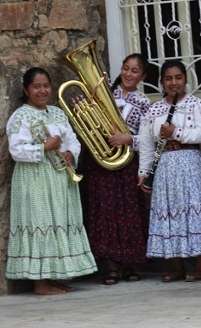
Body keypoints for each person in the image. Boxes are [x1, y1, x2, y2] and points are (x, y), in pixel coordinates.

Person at [5, 67, 97, 295]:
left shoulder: (57, 113)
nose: (42, 90)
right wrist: (43, 147)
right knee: (41, 223)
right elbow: (16, 150)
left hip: (59, 176)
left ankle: (54, 277)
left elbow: (74, 141)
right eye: (36, 86)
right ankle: (40, 283)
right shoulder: (21, 116)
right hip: (35, 178)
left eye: (46, 85)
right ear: (26, 89)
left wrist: (70, 154)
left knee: (59, 222)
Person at [137, 60, 201, 282]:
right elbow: (146, 143)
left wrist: (176, 132)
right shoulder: (154, 109)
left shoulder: (196, 104)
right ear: (162, 82)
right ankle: (176, 265)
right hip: (166, 167)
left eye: (178, 78)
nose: (174, 83)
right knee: (170, 212)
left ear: (185, 80)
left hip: (190, 163)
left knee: (193, 210)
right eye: (169, 78)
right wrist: (143, 172)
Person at [79, 54, 151, 285]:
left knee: (128, 214)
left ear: (143, 76)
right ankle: (110, 267)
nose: (128, 74)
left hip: (126, 164)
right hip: (100, 163)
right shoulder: (103, 94)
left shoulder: (144, 103)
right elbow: (88, 125)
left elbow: (148, 139)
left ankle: (129, 264)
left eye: (135, 71)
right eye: (125, 68)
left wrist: (128, 139)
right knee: (104, 214)